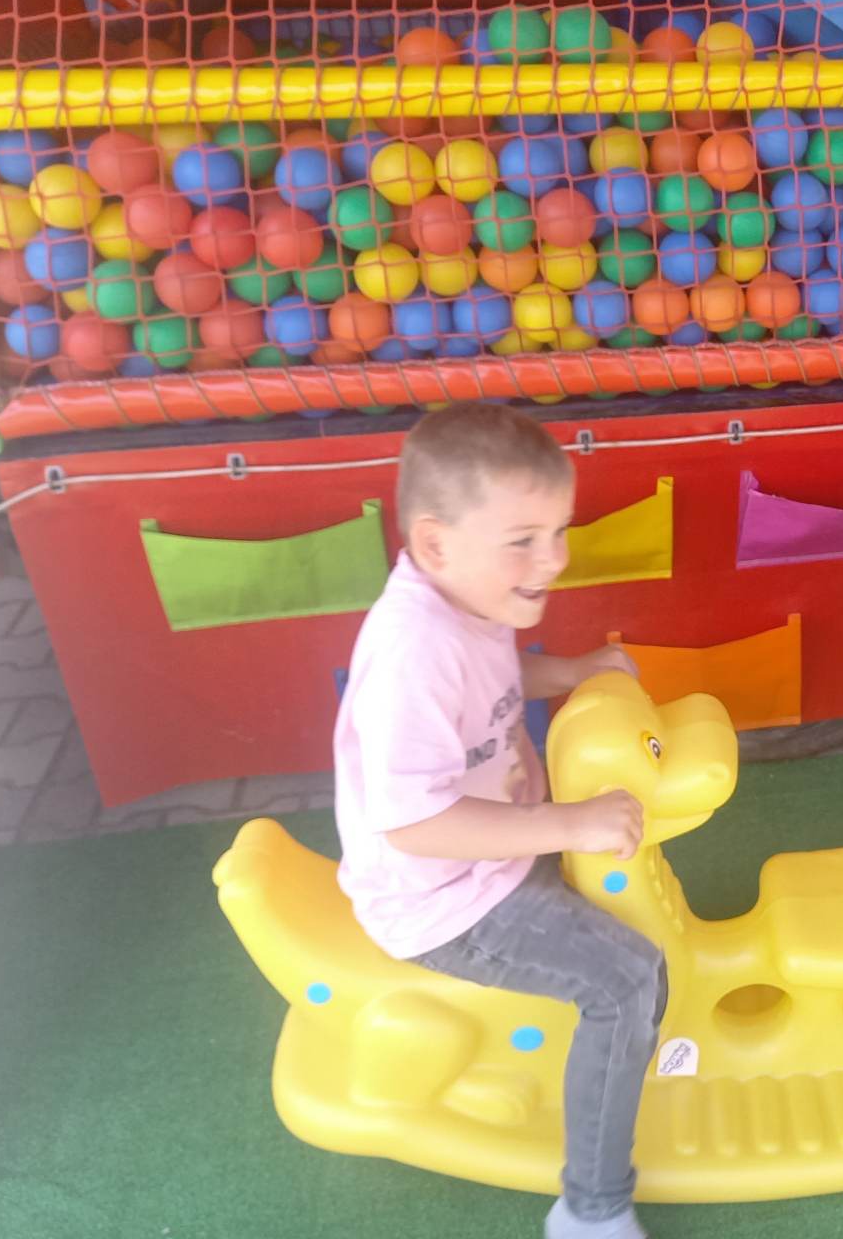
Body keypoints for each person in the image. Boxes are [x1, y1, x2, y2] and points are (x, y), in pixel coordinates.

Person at [333, 403, 660, 1239]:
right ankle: (591, 1209)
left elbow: (495, 680)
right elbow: (414, 825)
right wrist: (568, 824)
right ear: (436, 543)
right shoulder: (413, 650)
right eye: (523, 540)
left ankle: (616, 1065)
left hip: (494, 857)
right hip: (446, 901)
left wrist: (574, 670)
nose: (554, 559)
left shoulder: (461, 599)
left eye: (558, 532)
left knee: (622, 908)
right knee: (628, 981)